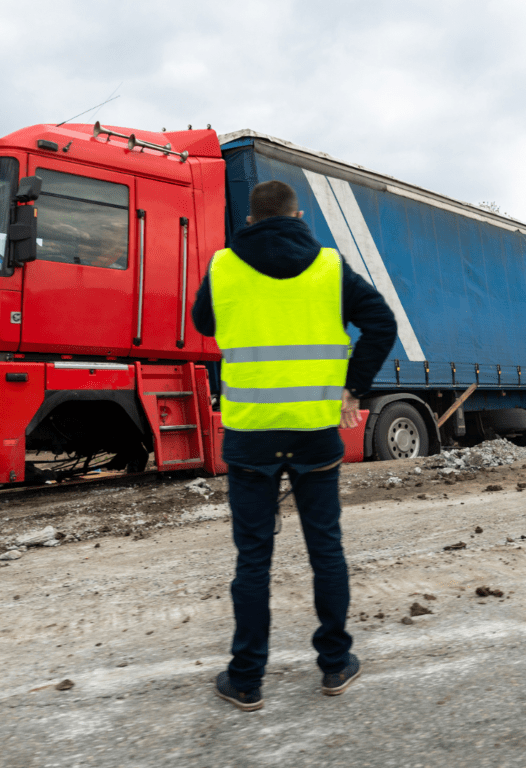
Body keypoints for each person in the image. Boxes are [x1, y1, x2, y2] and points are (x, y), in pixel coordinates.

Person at [191, 180, 397, 711]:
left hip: (250, 436)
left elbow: (203, 323)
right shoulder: (330, 267)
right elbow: (381, 322)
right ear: (297, 213)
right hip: (313, 432)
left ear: (253, 220)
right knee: (326, 551)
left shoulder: (222, 267)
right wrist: (354, 385)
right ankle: (334, 666)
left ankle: (245, 679)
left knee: (252, 560)